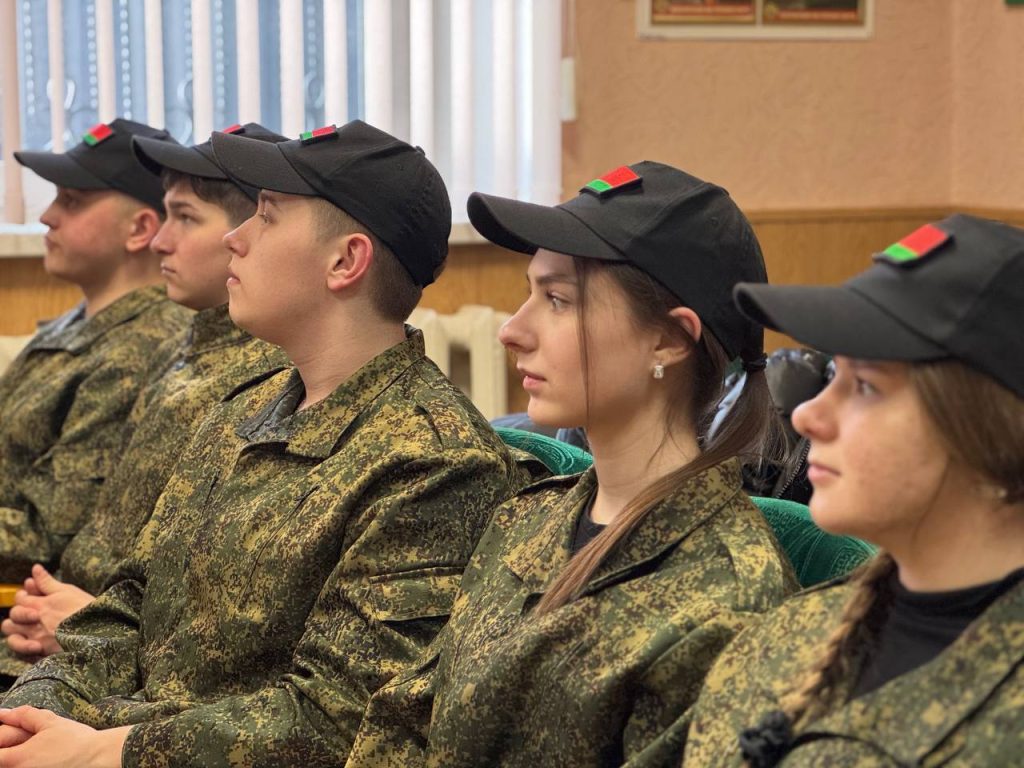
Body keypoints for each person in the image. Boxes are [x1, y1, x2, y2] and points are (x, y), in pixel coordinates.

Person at [0, 120, 526, 767]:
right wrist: (29, 714)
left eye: (268, 217)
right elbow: (128, 603)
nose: (236, 237)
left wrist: (109, 752)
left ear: (346, 261)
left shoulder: (435, 463)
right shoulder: (243, 409)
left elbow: (340, 717)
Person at [345, 162, 798, 768]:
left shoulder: (727, 604)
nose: (512, 330)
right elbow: (408, 718)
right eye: (531, 293)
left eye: (558, 300)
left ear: (668, 340)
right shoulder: (525, 518)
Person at [683, 213, 1024, 766]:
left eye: (865, 385)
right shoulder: (786, 634)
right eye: (833, 375)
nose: (808, 416)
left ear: (993, 432)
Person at [0, 124, 290, 675]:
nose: (161, 240)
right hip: (73, 629)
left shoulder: (262, 376)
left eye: (185, 218)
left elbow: (226, 617)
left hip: (107, 653)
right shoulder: (183, 352)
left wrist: (87, 624)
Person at [0, 119, 191, 583]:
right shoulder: (80, 320)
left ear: (140, 229)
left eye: (72, 201)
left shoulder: (143, 350)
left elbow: (46, 535)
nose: (47, 216)